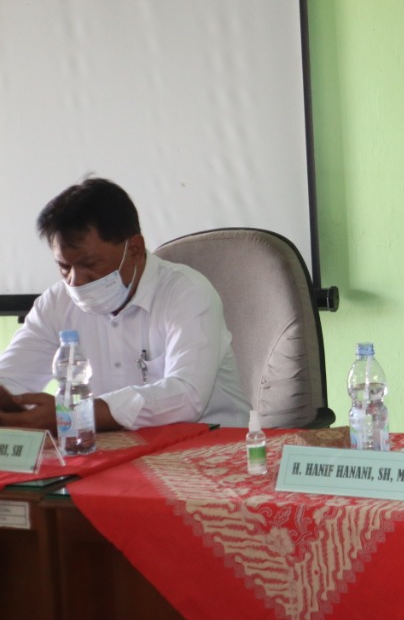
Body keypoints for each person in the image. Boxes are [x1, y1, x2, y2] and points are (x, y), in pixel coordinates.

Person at [0, 178, 249, 431]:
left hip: (209, 443)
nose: (76, 281)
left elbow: (187, 396)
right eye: (64, 266)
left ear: (135, 249)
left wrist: (76, 415)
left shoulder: (187, 292)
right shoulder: (56, 303)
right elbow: (11, 380)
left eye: (90, 264)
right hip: (108, 447)